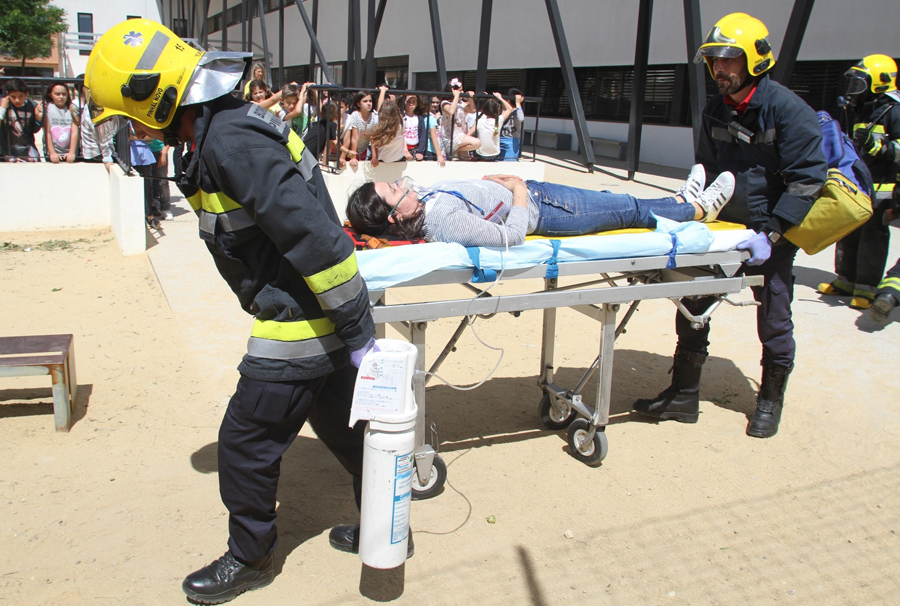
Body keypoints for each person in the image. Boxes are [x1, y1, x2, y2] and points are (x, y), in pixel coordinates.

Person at [85, 19, 380, 604]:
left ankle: (250, 557)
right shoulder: (227, 130)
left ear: (155, 97)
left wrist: (359, 330)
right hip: (313, 310)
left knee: (245, 444)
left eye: (130, 115)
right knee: (347, 431)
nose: (133, 128)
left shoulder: (230, 143)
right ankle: (384, 526)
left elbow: (316, 240)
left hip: (300, 318)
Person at [632, 13, 827, 439]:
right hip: (722, 230)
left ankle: (770, 401)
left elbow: (808, 180)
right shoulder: (714, 109)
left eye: (728, 59)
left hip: (769, 235)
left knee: (774, 317)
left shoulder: (788, 110)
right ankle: (684, 395)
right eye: (714, 60)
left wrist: (772, 233)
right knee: (693, 305)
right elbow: (707, 167)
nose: (719, 68)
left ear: (755, 59)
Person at [346, 166, 734, 248]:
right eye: (394, 189)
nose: (401, 184)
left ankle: (680, 200)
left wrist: (495, 182)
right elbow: (512, 236)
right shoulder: (444, 223)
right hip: (546, 209)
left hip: (536, 194)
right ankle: (700, 210)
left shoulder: (420, 207)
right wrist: (517, 190)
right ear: (395, 216)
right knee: (626, 208)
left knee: (619, 201)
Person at [817, 54, 900, 310]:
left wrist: (879, 146)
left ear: (879, 82)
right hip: (858, 185)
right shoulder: (864, 108)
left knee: (872, 238)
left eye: (860, 83)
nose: (854, 89)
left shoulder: (895, 111)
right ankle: (846, 280)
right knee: (848, 230)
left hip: (882, 188)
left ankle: (866, 288)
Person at [0, 78, 43, 162]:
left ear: (26, 94)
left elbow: (34, 130)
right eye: (13, 96)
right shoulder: (3, 105)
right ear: (7, 94)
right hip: (7, 151)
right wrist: (2, 109)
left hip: (27, 149)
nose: (17, 100)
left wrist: (38, 119)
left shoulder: (32, 105)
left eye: (21, 96)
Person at [440, 79, 480, 159]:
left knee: (466, 160)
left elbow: (473, 110)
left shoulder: (461, 103)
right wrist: (456, 96)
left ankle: (456, 150)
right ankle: (454, 150)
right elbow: (451, 111)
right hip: (450, 138)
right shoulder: (444, 103)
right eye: (460, 90)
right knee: (477, 142)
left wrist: (470, 98)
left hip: (461, 136)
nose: (462, 92)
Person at [42, 81, 80, 164]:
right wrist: (52, 153)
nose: (61, 97)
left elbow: (74, 131)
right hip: (52, 153)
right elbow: (47, 132)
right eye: (57, 94)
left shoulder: (72, 108)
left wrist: (72, 152)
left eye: (64, 94)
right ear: (50, 94)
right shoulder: (47, 108)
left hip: (69, 153)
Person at [340, 89, 379, 167]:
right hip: (351, 150)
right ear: (358, 104)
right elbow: (355, 138)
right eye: (365, 101)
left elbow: (373, 139)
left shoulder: (374, 116)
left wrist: (374, 157)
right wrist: (353, 157)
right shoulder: (355, 116)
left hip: (364, 149)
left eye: (370, 101)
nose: (369, 103)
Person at [474, 93, 515, 161]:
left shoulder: (479, 121)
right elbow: (509, 108)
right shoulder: (499, 120)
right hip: (494, 153)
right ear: (497, 110)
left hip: (480, 153)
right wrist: (500, 98)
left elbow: (469, 134)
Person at [368, 99, 406, 166]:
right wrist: (374, 157)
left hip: (386, 159)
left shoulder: (378, 123)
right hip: (397, 158)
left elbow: (373, 140)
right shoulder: (401, 124)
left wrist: (374, 157)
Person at [499, 88, 525, 161]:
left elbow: (520, 118)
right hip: (499, 139)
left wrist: (518, 104)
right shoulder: (502, 110)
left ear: (508, 100)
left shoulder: (517, 111)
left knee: (509, 162)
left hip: (511, 140)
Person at [402, 94, 426, 161]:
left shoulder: (419, 118)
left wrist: (420, 151)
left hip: (416, 148)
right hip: (403, 148)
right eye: (408, 101)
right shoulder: (401, 117)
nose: (411, 104)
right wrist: (404, 150)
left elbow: (422, 134)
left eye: (413, 102)